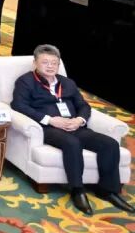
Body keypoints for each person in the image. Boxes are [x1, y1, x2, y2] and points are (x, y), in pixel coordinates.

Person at [11, 44, 133, 215]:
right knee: (72, 143)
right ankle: (77, 190)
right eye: (45, 62)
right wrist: (50, 120)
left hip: (74, 125)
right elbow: (18, 105)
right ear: (35, 63)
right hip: (49, 128)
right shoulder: (26, 81)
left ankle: (107, 190)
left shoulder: (67, 83)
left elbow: (83, 105)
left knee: (110, 144)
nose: (50, 66)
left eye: (54, 63)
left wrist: (79, 120)